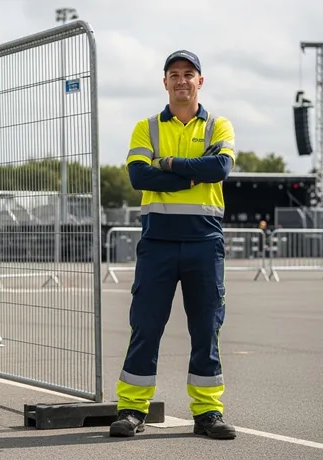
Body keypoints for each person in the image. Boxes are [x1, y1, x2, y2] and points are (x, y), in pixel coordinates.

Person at [109, 50, 237, 440]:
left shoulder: (219, 125)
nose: (181, 80)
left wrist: (166, 165)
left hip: (204, 241)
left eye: (189, 74)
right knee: (145, 327)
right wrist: (191, 173)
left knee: (206, 329)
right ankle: (132, 409)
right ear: (164, 82)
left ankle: (208, 412)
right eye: (174, 74)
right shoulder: (145, 128)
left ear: (201, 81)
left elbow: (220, 168)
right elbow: (137, 177)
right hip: (158, 242)